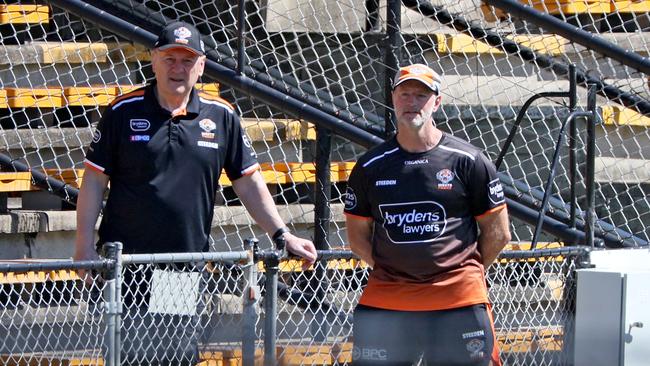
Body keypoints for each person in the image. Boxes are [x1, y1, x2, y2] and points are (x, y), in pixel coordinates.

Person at [73, 21, 317, 365]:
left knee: (175, 355)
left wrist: (282, 233)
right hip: (125, 265)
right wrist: (83, 243)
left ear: (201, 66)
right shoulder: (122, 112)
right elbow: (95, 179)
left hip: (183, 266)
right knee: (125, 356)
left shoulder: (222, 116)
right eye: (170, 58)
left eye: (187, 61)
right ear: (154, 60)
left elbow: (247, 181)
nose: (178, 69)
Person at [344, 63, 511, 365]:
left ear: (437, 102)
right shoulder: (370, 166)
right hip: (389, 296)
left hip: (458, 298)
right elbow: (357, 238)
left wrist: (459, 271)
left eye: (421, 95)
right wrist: (397, 270)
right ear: (393, 99)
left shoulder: (469, 160)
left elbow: (498, 233)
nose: (412, 102)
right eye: (404, 94)